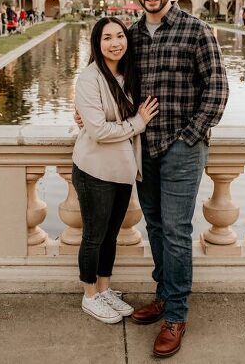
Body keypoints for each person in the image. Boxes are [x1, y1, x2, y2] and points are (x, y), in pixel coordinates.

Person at [124, 0, 228, 357]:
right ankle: (164, 296)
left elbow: (216, 89)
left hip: (182, 148)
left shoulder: (196, 30)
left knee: (176, 231)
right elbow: (110, 82)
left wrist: (189, 137)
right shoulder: (131, 35)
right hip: (142, 147)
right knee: (154, 226)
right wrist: (87, 110)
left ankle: (176, 315)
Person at [73, 16, 158, 325]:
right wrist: (138, 123)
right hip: (95, 169)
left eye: (120, 36)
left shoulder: (128, 75)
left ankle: (105, 289)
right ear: (97, 43)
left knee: (110, 236)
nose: (115, 43)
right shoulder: (89, 78)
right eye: (107, 37)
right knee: (94, 237)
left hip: (122, 169)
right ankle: (90, 296)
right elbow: (97, 131)